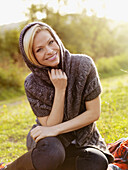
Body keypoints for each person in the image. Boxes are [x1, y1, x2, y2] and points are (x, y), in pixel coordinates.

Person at [1, 22, 114, 170]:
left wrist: (56, 129)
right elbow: (49, 126)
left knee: (97, 162)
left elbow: (94, 113)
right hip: (50, 141)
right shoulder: (32, 83)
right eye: (39, 50)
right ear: (31, 57)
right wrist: (60, 90)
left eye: (51, 42)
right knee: (52, 154)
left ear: (57, 39)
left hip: (83, 139)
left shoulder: (84, 65)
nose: (49, 51)